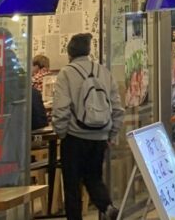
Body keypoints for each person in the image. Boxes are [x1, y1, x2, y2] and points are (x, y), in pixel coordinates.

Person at [52, 34, 124, 220]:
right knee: (94, 177)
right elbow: (117, 107)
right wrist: (111, 133)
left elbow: (61, 108)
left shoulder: (66, 73)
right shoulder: (103, 72)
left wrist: (61, 133)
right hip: (100, 136)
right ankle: (107, 207)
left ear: (69, 52)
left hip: (74, 137)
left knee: (72, 184)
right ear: (88, 50)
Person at [31, 54, 51, 130]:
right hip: (51, 115)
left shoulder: (35, 79)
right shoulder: (53, 76)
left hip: (40, 115)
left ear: (36, 66)